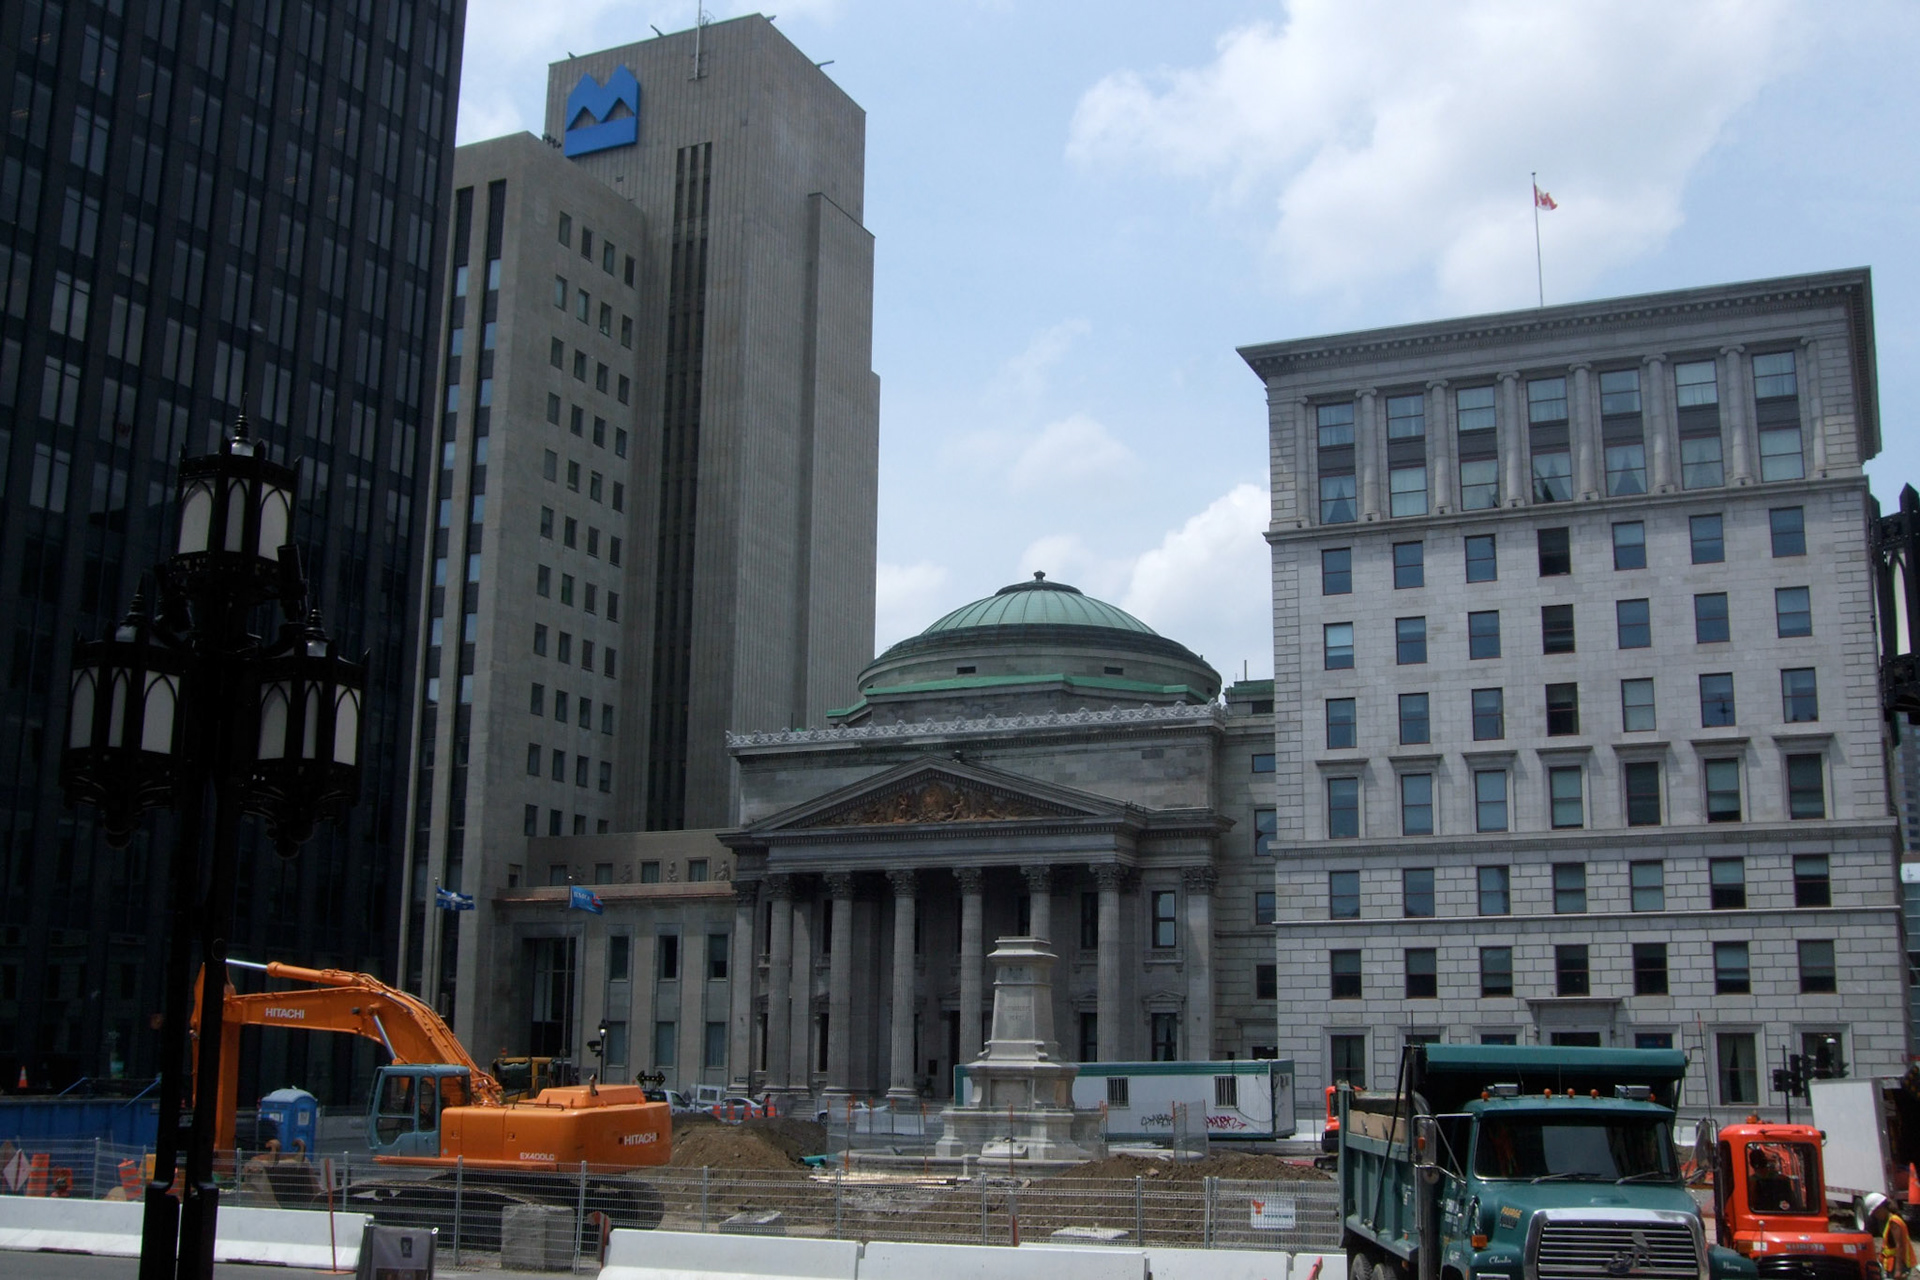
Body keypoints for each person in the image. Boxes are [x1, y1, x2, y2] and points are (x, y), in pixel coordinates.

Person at [1867, 1193, 1913, 1280]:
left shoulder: (1894, 1222)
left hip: (1899, 1264)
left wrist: (1898, 1270)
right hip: (1892, 1263)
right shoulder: (1889, 1221)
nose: (1876, 1216)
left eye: (1876, 1212)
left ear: (1881, 1208)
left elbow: (1899, 1246)